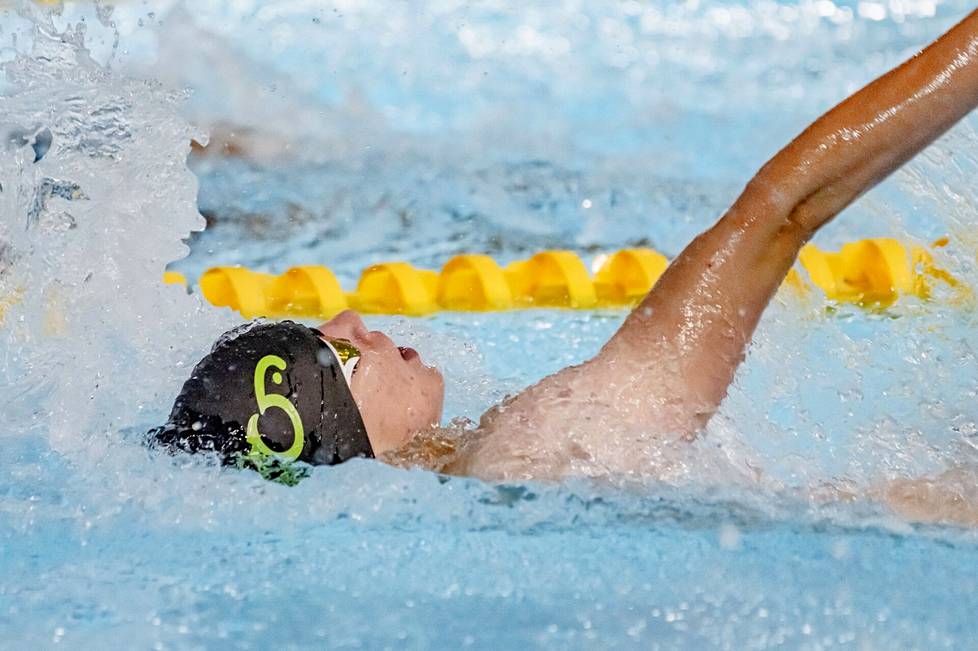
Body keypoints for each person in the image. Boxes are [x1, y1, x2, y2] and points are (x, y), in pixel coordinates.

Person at [155, 9, 978, 523]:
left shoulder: (477, 483)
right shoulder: (533, 448)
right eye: (334, 354)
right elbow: (780, 213)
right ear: (346, 435)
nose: (348, 322)